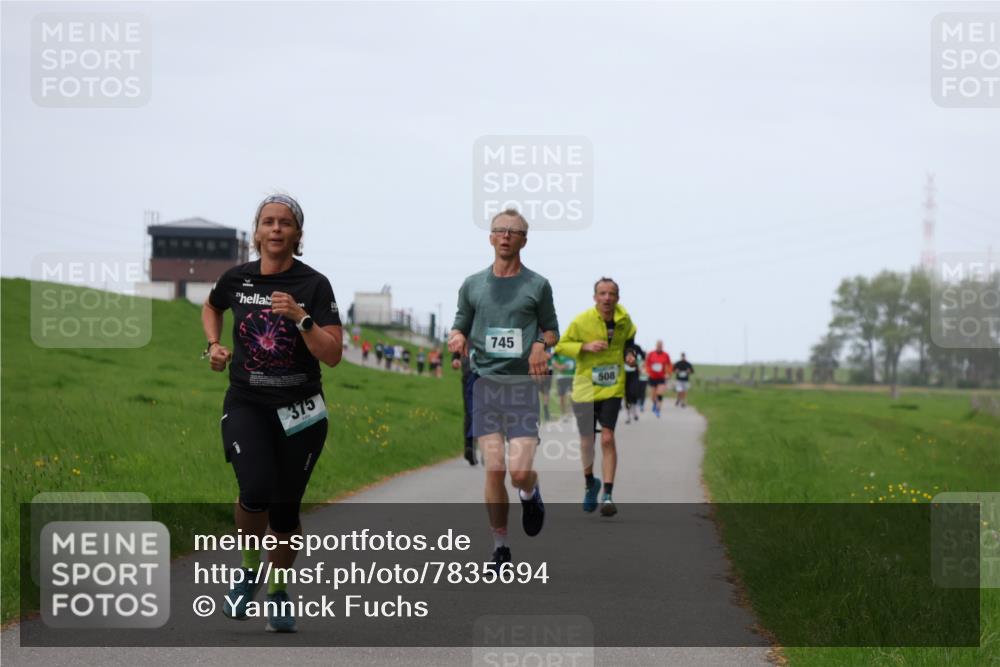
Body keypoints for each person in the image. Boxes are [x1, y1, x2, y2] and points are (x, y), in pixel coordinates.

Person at [201, 193, 343, 633]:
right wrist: (213, 345)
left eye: (285, 222)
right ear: (257, 232)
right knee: (256, 488)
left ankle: (278, 591)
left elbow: (333, 355)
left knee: (284, 512)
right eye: (268, 221)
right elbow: (212, 305)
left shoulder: (315, 285)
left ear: (298, 234)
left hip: (301, 411)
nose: (276, 228)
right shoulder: (237, 278)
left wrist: (302, 319)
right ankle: (249, 572)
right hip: (248, 403)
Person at [448, 208, 558, 570]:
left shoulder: (537, 286)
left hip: (522, 387)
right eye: (500, 230)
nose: (506, 235)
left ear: (524, 240)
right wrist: (457, 337)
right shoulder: (472, 285)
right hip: (485, 385)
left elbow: (551, 330)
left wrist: (540, 344)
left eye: (514, 231)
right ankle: (500, 547)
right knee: (494, 468)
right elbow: (459, 324)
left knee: (519, 472)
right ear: (491, 237)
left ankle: (530, 492)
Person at [555, 277, 637, 518]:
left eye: (611, 294)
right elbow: (561, 345)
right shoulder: (582, 321)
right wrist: (584, 346)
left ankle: (608, 495)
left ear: (617, 298)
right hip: (585, 388)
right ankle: (590, 483)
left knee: (608, 437)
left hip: (612, 386)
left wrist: (630, 355)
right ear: (595, 297)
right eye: (602, 293)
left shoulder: (624, 320)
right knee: (587, 441)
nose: (607, 298)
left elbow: (630, 342)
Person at [452, 350, 477, 465]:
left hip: (483, 372)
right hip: (472, 372)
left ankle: (470, 445)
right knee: (472, 412)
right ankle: (470, 446)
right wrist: (455, 357)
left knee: (473, 412)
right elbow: (459, 341)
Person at [645, 341, 672, 417]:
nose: (659, 347)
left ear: (662, 346)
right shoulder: (651, 354)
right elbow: (647, 364)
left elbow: (670, 365)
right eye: (658, 345)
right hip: (652, 377)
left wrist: (668, 373)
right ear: (656, 346)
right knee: (653, 396)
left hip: (661, 377)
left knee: (659, 393)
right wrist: (647, 372)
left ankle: (658, 409)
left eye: (661, 345)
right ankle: (655, 403)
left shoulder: (666, 355)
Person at [623, 343, 646, 423]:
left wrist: (640, 366)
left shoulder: (637, 347)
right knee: (627, 396)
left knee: (634, 393)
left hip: (635, 375)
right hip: (625, 375)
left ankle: (635, 412)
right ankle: (628, 416)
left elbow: (643, 357)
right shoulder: (622, 346)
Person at [551, 351, 576, 421]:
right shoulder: (558, 352)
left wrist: (565, 366)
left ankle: (572, 412)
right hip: (561, 378)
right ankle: (563, 414)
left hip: (572, 377)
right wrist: (560, 366)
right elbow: (556, 364)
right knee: (562, 397)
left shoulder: (572, 352)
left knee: (573, 395)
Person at [537, 347, 554, 421]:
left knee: (546, 391)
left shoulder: (550, 347)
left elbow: (549, 356)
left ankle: (546, 409)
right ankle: (538, 411)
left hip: (548, 371)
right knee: (537, 390)